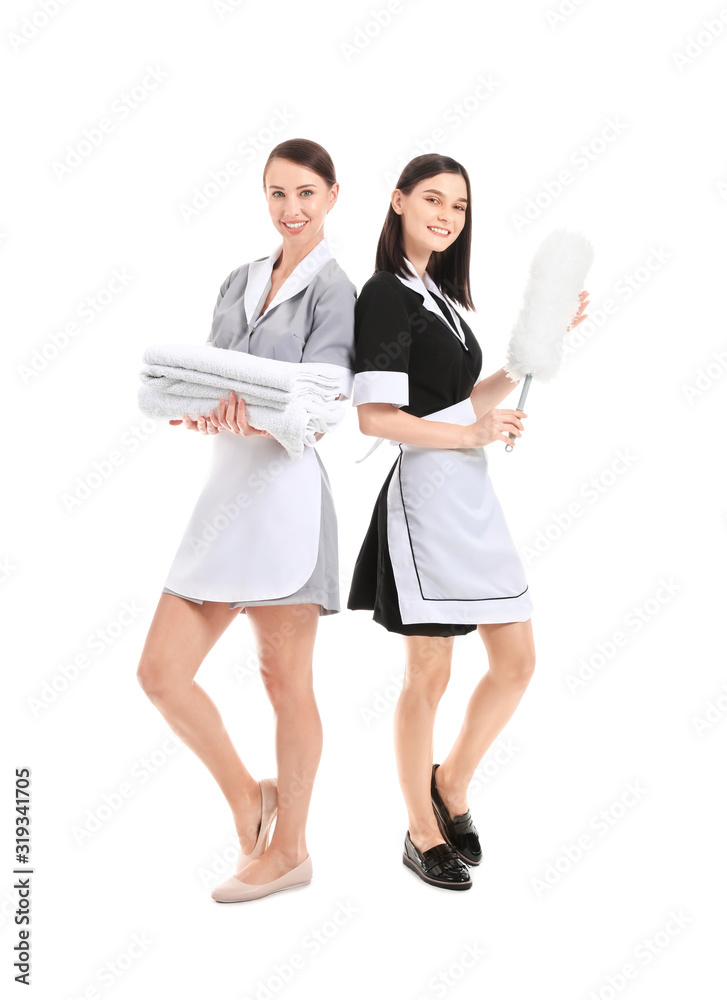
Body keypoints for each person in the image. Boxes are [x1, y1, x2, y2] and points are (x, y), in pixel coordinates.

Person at [347, 153, 588, 891]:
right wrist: (470, 435)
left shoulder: (441, 299)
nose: (446, 215)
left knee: (516, 662)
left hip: (471, 494)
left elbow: (461, 403)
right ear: (398, 202)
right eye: (432, 199)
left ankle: (448, 783)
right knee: (430, 673)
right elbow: (375, 417)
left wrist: (534, 350)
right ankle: (420, 832)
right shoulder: (384, 294)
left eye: (457, 205)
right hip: (423, 502)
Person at [137, 138, 356, 903]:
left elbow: (320, 406)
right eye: (276, 193)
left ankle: (290, 850)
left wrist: (259, 412)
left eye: (305, 193)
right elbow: (209, 378)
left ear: (332, 196)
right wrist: (205, 410)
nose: (290, 208)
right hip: (223, 496)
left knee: (283, 680)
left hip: (288, 501)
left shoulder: (337, 292)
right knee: (160, 674)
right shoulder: (238, 281)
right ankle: (244, 795)